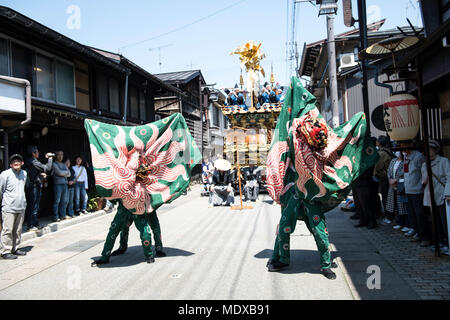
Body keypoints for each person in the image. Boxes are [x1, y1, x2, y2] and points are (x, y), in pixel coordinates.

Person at [265, 77, 379, 280]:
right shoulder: (290, 127)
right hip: (293, 188)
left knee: (319, 229)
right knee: (284, 225)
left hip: (313, 186)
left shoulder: (313, 123)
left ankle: (326, 264)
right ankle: (280, 257)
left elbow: (327, 142)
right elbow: (282, 152)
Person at [91, 200, 158, 266]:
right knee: (114, 231)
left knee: (145, 232)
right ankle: (108, 255)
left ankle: (151, 253)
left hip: (138, 209)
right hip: (124, 209)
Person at [421, 140, 450, 254]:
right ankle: (439, 242)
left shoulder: (443, 161)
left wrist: (447, 193)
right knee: (435, 222)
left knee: (445, 221)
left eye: (430, 149)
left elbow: (449, 177)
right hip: (430, 196)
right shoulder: (424, 164)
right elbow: (423, 181)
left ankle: (448, 243)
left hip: (442, 195)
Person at [402, 141, 431, 247]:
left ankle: (425, 236)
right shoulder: (406, 156)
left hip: (417, 190)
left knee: (420, 214)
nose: (402, 147)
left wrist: (421, 185)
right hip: (408, 189)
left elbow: (423, 172)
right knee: (412, 215)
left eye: (404, 145)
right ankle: (418, 233)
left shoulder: (418, 156)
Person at [0, 154, 27, 259]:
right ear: (10, 164)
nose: (16, 163)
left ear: (22, 163)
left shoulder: (24, 173)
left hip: (21, 206)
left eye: (19, 161)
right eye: (14, 161)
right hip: (9, 207)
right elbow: (1, 189)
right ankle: (5, 251)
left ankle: (15, 248)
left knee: (18, 230)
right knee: (7, 230)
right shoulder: (4, 174)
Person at [24, 146, 54, 231]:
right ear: (33, 153)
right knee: (33, 206)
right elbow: (47, 168)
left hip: (34, 186)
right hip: (33, 187)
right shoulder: (33, 161)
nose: (38, 153)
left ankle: (35, 223)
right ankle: (31, 225)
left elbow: (36, 172)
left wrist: (41, 175)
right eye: (37, 152)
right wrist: (50, 158)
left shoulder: (31, 161)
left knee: (34, 206)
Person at [386, 151, 410, 232]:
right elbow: (389, 171)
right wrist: (390, 179)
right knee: (395, 204)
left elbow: (404, 172)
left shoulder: (405, 161)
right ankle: (399, 222)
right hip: (392, 185)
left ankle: (406, 223)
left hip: (401, 185)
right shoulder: (393, 160)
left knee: (403, 205)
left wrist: (396, 180)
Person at [373, 136, 394, 224]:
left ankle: (389, 216)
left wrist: (375, 174)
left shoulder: (382, 153)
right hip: (388, 176)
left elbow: (378, 166)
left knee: (386, 197)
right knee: (387, 196)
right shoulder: (388, 151)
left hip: (384, 176)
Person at [351, 163, 378, 229]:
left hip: (364, 183)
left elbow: (368, 173)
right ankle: (363, 220)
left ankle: (372, 221)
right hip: (356, 183)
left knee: (366, 204)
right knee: (359, 204)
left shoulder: (367, 159)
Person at [52, 150, 71, 222]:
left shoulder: (63, 164)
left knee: (64, 200)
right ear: (56, 156)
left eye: (62, 155)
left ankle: (63, 215)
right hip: (57, 184)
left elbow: (69, 174)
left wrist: (63, 173)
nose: (60, 156)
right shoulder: (54, 164)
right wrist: (64, 173)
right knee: (57, 200)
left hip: (65, 184)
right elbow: (59, 172)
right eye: (58, 155)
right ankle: (55, 216)